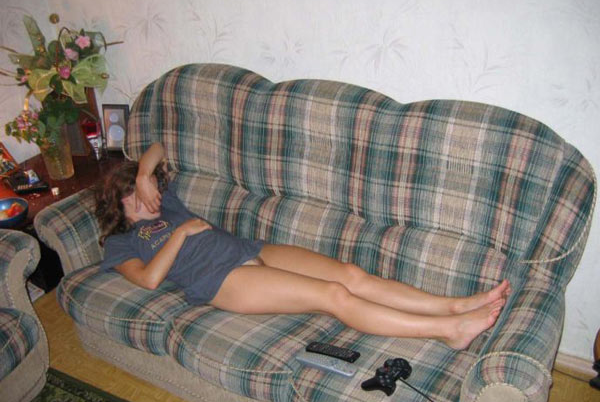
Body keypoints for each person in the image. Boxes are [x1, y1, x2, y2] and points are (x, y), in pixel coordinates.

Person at [95, 143, 511, 350]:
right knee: (334, 295)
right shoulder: (122, 242)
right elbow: (149, 280)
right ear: (118, 202)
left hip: (248, 248)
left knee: (351, 274)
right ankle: (447, 330)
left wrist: (145, 174)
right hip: (220, 280)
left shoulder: (165, 201)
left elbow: (157, 148)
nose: (148, 198)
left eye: (149, 189)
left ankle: (452, 306)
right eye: (136, 195)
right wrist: (182, 233)